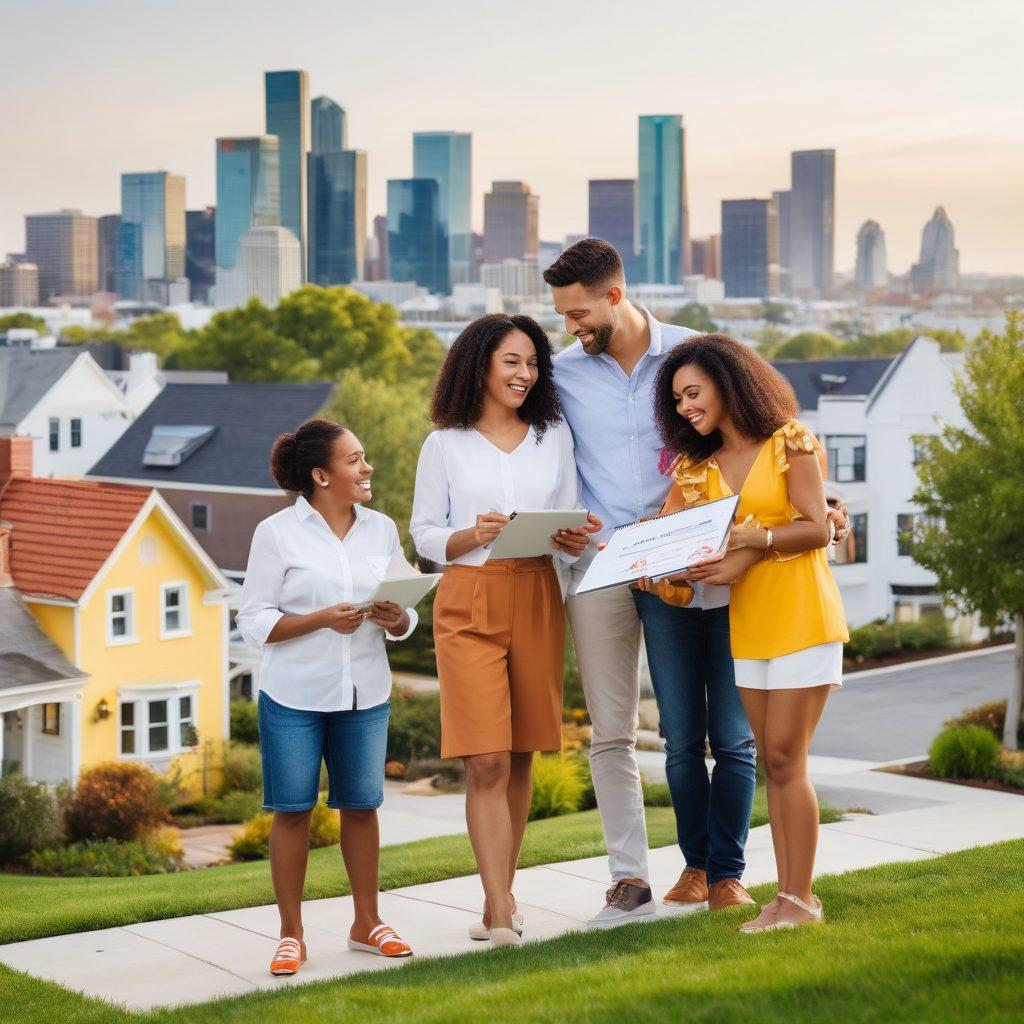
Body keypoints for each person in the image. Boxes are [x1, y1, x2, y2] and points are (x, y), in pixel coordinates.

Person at [543, 239, 848, 928]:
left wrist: (805, 520)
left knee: (755, 748)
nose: (570, 325)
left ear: (614, 295)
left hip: (764, 601)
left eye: (577, 310)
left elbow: (789, 495)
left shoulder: (699, 357)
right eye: (676, 399)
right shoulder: (564, 377)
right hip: (625, 566)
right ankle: (682, 873)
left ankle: (755, 883)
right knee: (679, 737)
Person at [650, 334, 849, 932]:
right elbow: (677, 548)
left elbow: (817, 528)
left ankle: (799, 900)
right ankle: (788, 898)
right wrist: (646, 566)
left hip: (803, 615)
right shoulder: (696, 469)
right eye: (677, 400)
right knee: (772, 761)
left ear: (728, 381)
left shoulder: (791, 440)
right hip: (749, 624)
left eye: (693, 392)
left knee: (788, 757)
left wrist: (751, 538)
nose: (686, 407)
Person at [410, 313, 593, 950]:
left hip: (540, 590)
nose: (525, 374)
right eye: (511, 361)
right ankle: (496, 912)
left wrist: (572, 539)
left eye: (533, 363)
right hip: (469, 597)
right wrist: (473, 535)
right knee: (484, 758)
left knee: (519, 755)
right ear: (480, 364)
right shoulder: (445, 444)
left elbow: (570, 514)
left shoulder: (554, 436)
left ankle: (504, 896)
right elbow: (426, 535)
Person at [237, 417, 419, 975]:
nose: (368, 469)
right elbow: (253, 619)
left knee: (361, 808)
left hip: (365, 692)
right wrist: (318, 620)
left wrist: (396, 617)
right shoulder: (276, 533)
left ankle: (368, 923)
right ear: (321, 475)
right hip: (294, 694)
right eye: (355, 460)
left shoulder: (382, 529)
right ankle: (291, 934)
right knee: (292, 811)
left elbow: (406, 610)